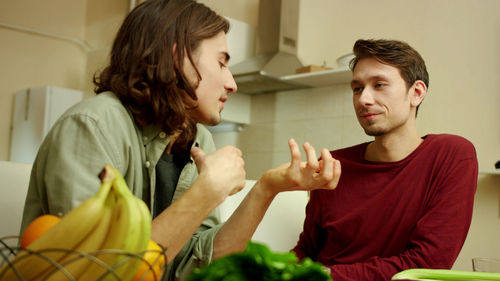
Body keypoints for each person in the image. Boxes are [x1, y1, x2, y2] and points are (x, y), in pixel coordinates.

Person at [20, 0, 341, 280]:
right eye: (221, 62)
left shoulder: (197, 138)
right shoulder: (92, 126)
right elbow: (95, 273)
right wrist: (206, 192)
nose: (231, 83)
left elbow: (197, 268)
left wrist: (267, 188)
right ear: (178, 58)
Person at [292, 39, 478, 281]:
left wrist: (322, 275)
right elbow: (307, 251)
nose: (363, 99)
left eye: (379, 85)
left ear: (417, 93)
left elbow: (429, 262)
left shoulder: (450, 155)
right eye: (357, 88)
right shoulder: (333, 164)